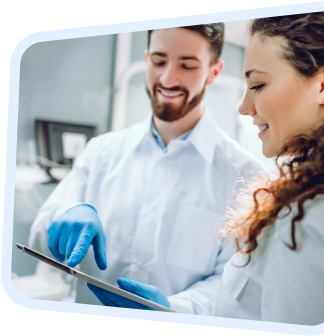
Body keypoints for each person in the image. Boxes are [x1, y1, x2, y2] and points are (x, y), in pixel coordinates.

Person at [87, 12, 324, 326]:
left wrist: (174, 309)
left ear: (322, 85)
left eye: (258, 85)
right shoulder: (297, 196)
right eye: (159, 61)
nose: (243, 107)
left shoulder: (309, 219)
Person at [29, 24, 263, 314]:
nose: (167, 78)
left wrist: (174, 307)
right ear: (146, 59)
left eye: (187, 65)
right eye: (158, 61)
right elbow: (38, 236)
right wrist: (61, 217)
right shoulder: (101, 152)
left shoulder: (246, 176)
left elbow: (234, 283)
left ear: (214, 71)